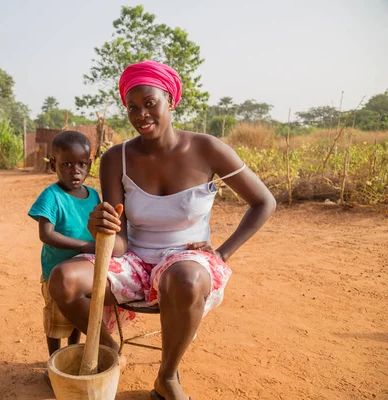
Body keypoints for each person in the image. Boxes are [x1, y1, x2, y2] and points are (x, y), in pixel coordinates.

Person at [48, 61, 276, 400]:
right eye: (133, 107)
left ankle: (166, 377)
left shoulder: (207, 149)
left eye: (150, 103)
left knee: (183, 279)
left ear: (171, 100)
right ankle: (111, 351)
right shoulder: (116, 158)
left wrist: (223, 253)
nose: (142, 114)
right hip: (136, 261)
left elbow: (264, 202)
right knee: (62, 280)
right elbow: (121, 241)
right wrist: (103, 230)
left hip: (186, 261)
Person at [27, 130, 101, 383]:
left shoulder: (94, 196)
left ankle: (72, 355)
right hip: (56, 273)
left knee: (78, 317)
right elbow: (46, 234)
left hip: (84, 274)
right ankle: (54, 362)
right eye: (67, 164)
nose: (75, 171)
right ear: (53, 165)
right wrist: (86, 246)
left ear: (90, 165)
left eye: (81, 164)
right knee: (56, 322)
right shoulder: (52, 196)